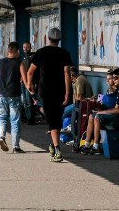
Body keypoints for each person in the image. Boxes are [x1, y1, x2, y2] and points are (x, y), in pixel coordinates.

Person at [27, 27, 72, 163]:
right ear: (59, 40)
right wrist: (68, 93)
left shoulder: (41, 52)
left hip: (45, 91)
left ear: (47, 38)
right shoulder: (64, 53)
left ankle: (55, 147)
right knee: (56, 118)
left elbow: (30, 72)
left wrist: (29, 85)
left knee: (53, 119)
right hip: (60, 91)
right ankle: (55, 146)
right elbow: (67, 74)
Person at [80, 68, 119, 155]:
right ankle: (87, 144)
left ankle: (96, 146)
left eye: (116, 78)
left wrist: (103, 112)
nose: (114, 80)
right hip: (117, 116)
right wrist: (104, 112)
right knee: (91, 116)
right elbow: (116, 107)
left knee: (97, 117)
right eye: (113, 78)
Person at [0, 42, 28, 153]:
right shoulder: (19, 63)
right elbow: (25, 81)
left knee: (2, 118)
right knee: (15, 120)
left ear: (8, 50)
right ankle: (16, 146)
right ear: (17, 51)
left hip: (1, 95)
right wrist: (31, 91)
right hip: (14, 95)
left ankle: (1, 137)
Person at [21, 42, 36, 124]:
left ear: (30, 47)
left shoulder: (33, 57)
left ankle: (31, 119)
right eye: (24, 47)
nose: (25, 49)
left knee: (29, 101)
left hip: (29, 82)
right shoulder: (24, 58)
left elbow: (33, 71)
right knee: (25, 102)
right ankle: (27, 118)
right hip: (23, 82)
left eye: (27, 47)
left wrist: (32, 82)